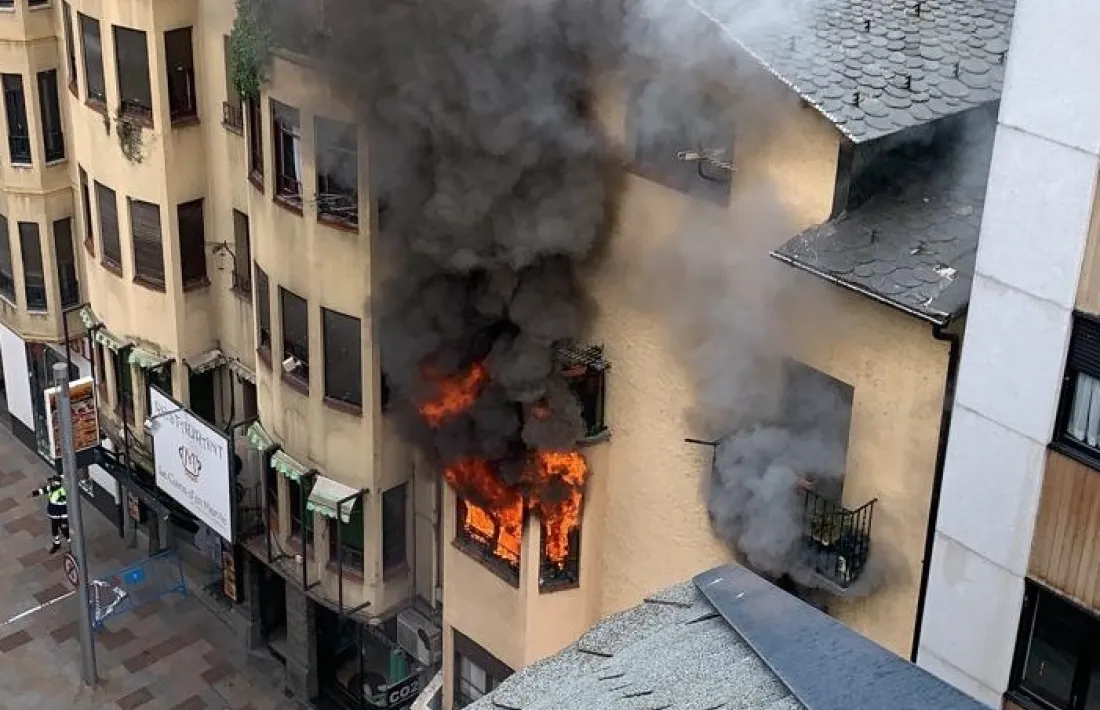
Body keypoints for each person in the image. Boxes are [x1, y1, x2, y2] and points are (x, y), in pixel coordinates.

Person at [30, 475, 70, 554]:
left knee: (64, 530)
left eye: (53, 482)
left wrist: (64, 521)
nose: (51, 483)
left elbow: (63, 508)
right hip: (53, 515)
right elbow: (43, 490)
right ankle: (56, 544)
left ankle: (71, 545)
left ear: (57, 483)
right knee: (54, 531)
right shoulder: (52, 488)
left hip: (59, 516)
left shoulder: (61, 492)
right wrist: (34, 493)